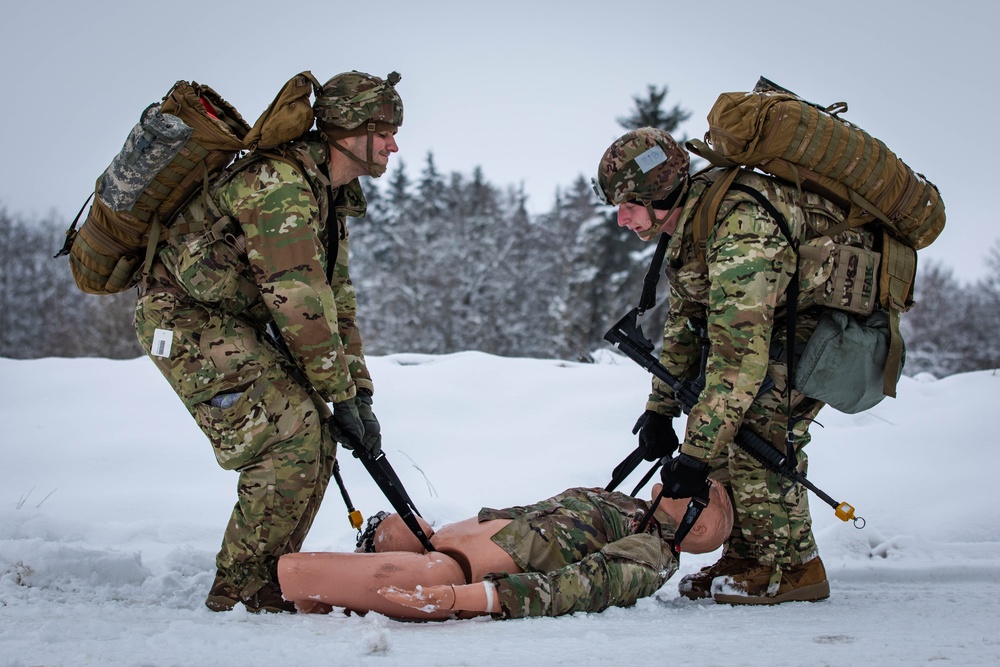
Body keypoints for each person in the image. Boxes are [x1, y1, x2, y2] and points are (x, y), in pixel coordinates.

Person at [133, 71, 404, 613]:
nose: (395, 144)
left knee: (319, 433)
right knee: (291, 434)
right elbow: (298, 301)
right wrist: (339, 394)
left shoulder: (328, 192)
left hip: (231, 320)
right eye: (386, 130)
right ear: (349, 132)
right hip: (182, 320)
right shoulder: (280, 187)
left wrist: (360, 395)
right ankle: (239, 590)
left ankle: (269, 579)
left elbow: (334, 300)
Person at [592, 127, 873, 605]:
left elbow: (738, 362)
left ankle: (794, 568)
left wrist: (695, 454)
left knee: (756, 433)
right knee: (723, 431)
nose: (622, 220)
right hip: (767, 333)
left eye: (629, 205)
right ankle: (748, 558)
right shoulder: (694, 219)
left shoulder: (740, 229)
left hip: (817, 333)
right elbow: (685, 323)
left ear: (661, 195)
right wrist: (661, 409)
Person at [277, 480, 733, 619]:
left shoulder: (652, 556)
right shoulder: (633, 506)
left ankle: (288, 581)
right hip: (441, 538)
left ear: (701, 523)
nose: (687, 473)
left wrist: (472, 598)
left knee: (297, 576)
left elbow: (579, 587)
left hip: (455, 570)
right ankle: (349, 580)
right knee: (397, 530)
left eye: (700, 488)